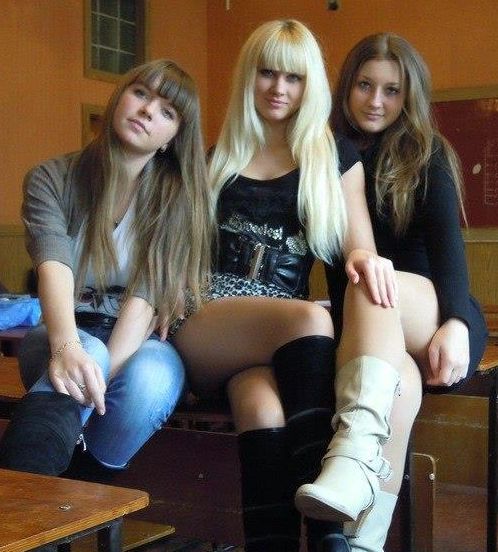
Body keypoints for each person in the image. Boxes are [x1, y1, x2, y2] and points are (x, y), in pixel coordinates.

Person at [167, 20, 401, 552]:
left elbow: (360, 246)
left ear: (309, 85)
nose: (278, 88)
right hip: (208, 321)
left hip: (276, 340)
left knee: (263, 409)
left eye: (293, 78)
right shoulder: (216, 159)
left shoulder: (334, 156)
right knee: (313, 317)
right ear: (247, 77)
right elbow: (179, 255)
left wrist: (366, 260)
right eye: (267, 73)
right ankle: (329, 534)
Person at [296, 33, 488, 551]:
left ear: (409, 96)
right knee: (398, 385)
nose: (376, 101)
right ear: (346, 87)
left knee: (369, 277)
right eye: (365, 85)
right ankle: (363, 541)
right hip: (369, 328)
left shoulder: (427, 153)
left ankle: (352, 458)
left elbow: (449, 253)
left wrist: (458, 322)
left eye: (391, 90)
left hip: (431, 309)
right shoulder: (321, 152)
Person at [0, 59, 213, 480]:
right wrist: (67, 348)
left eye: (167, 112)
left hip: (139, 339)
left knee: (151, 378)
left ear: (173, 139)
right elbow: (53, 266)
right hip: (63, 327)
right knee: (88, 352)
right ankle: (21, 495)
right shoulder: (51, 178)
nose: (148, 110)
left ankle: (76, 489)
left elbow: (146, 298)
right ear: (119, 97)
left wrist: (100, 377)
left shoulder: (180, 199)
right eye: (141, 93)